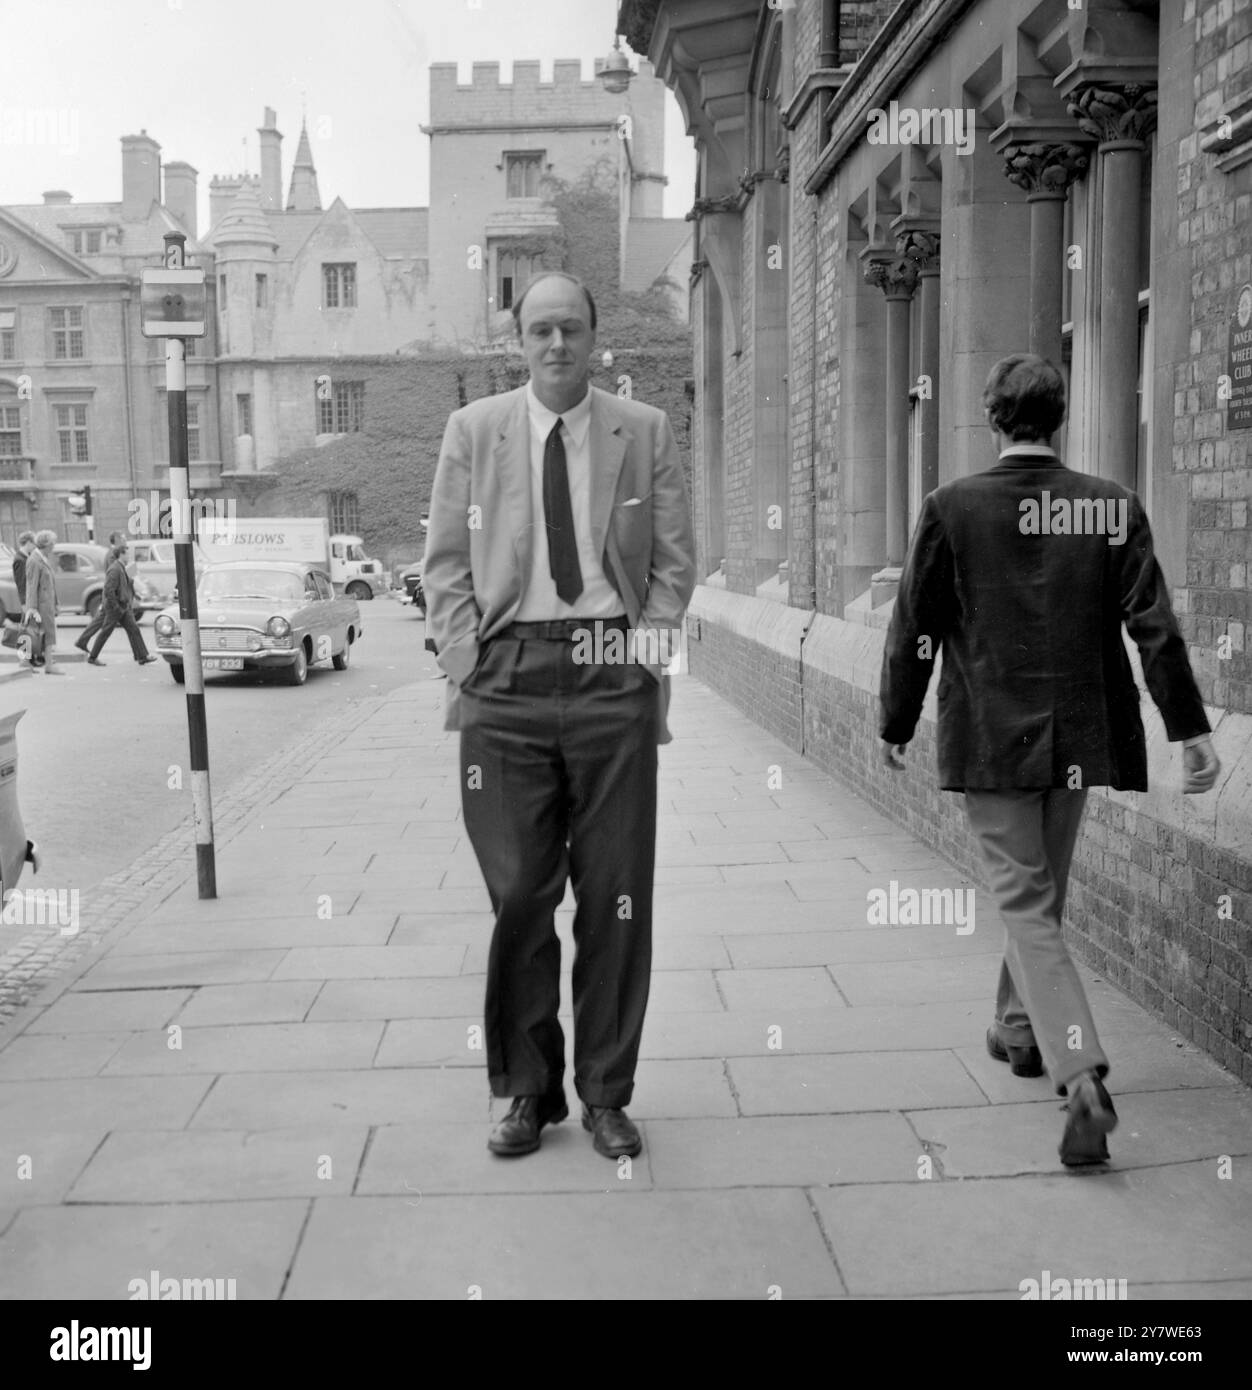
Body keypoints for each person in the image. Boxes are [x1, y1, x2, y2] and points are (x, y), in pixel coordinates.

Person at [879, 353, 1220, 1166]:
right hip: (1078, 735)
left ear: (992, 418)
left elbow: (915, 625)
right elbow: (1154, 625)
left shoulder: (951, 507)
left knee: (1028, 904)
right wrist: (1191, 729)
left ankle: (1080, 1076)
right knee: (1041, 896)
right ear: (1059, 416)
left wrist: (895, 718)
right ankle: (1020, 1028)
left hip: (993, 738)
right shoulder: (1109, 506)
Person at [424, 270, 696, 1160]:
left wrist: (647, 650)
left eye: (570, 328)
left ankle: (608, 1095)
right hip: (504, 679)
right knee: (520, 896)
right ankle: (526, 1090)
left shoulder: (642, 430)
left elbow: (672, 560)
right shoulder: (474, 431)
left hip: (608, 671)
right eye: (539, 330)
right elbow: (446, 562)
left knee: (616, 895)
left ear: (592, 335)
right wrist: (468, 658)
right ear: (520, 339)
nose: (556, 345)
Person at [86, 543, 157, 667]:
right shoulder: (114, 569)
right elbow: (109, 590)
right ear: (121, 554)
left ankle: (142, 656)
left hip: (124, 606)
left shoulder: (122, 567)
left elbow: (126, 585)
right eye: (127, 553)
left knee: (134, 629)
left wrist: (134, 596)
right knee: (105, 632)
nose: (129, 556)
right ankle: (92, 657)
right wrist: (116, 607)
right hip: (116, 608)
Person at [75, 531, 125, 655]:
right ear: (117, 539)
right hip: (112, 594)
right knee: (106, 625)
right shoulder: (112, 555)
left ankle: (82, 641)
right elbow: (113, 575)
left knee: (100, 620)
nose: (125, 540)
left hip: (112, 594)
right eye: (123, 538)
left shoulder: (112, 553)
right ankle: (90, 651)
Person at [23, 530, 62, 675]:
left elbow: (51, 582)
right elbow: (31, 586)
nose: (54, 547)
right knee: (36, 635)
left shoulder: (43, 558)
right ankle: (42, 665)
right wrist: (32, 608)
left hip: (47, 604)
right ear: (46, 545)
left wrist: (56, 602)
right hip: (40, 606)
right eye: (53, 543)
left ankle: (48, 665)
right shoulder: (34, 560)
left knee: (47, 635)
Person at [11, 532, 43, 668]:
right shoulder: (20, 559)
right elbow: (21, 583)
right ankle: (24, 659)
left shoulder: (26, 557)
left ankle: (31, 658)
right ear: (28, 542)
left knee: (31, 629)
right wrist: (25, 603)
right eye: (33, 544)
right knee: (26, 630)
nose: (34, 547)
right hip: (26, 600)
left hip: (29, 600)